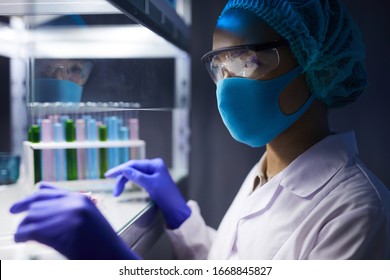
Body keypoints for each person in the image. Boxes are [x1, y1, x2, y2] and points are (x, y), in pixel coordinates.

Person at [10, 0, 390, 260]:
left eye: (248, 61)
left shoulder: (359, 211)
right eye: (220, 66)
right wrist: (180, 218)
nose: (227, 84)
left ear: (317, 63)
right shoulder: (269, 171)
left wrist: (111, 261)